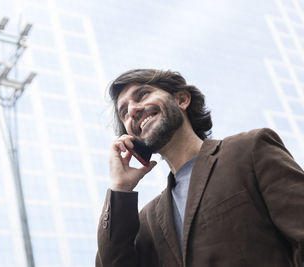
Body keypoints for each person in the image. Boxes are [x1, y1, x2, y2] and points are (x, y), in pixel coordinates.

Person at [96, 69, 304, 267]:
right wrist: (120, 190)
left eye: (142, 95)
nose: (132, 110)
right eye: (124, 113)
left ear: (182, 100)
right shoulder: (147, 221)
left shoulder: (249, 150)